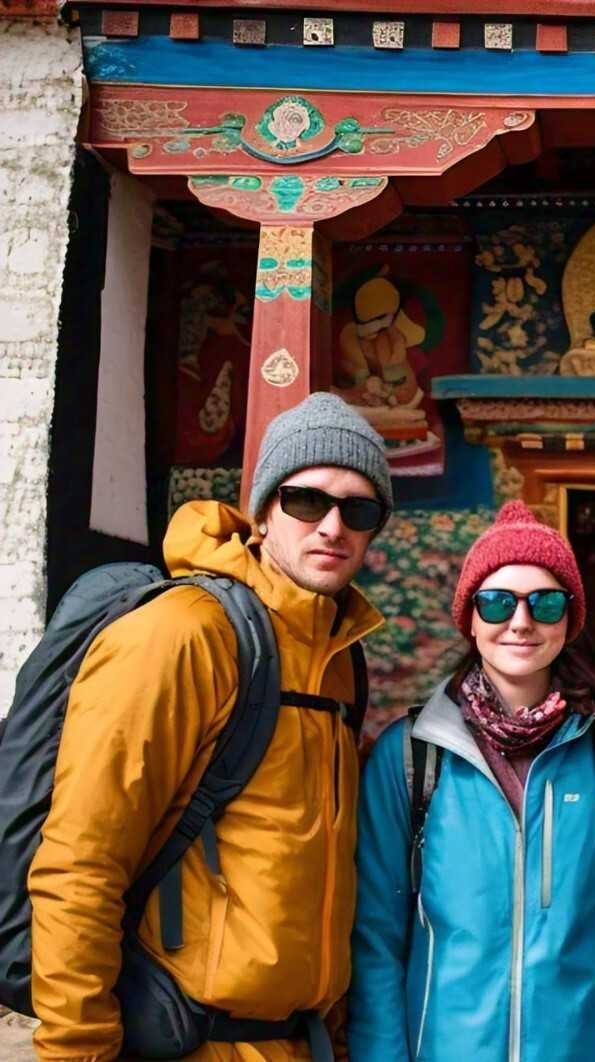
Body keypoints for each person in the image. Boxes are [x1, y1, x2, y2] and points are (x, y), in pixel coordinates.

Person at [28, 391, 394, 1059]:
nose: (332, 527)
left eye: (359, 509)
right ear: (262, 510)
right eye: (306, 501)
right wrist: (76, 1049)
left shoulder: (339, 659)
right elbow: (81, 861)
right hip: (188, 1040)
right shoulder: (185, 635)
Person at [349, 501, 595, 1062]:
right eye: (497, 602)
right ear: (470, 618)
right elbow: (377, 941)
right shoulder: (411, 758)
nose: (520, 621)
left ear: (569, 620)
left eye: (545, 603)